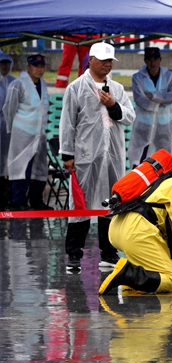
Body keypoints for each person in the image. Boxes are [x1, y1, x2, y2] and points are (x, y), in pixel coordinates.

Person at [60, 42, 136, 271]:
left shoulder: (117, 89)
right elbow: (67, 123)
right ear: (90, 59)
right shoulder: (76, 88)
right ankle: (74, 255)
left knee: (111, 203)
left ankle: (109, 253)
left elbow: (129, 116)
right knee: (81, 204)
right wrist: (67, 154)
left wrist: (114, 106)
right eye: (102, 59)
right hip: (85, 156)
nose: (107, 64)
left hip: (111, 155)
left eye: (110, 60)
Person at [99, 175, 172, 294]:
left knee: (160, 269)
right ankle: (127, 274)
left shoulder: (166, 185)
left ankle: (133, 281)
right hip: (137, 231)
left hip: (118, 229)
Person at [3, 54, 50, 210]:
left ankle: (36, 201)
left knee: (39, 170)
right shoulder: (18, 84)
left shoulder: (43, 84)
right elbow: (9, 109)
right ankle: (18, 202)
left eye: (42, 67)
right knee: (21, 169)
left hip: (39, 136)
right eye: (36, 67)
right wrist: (12, 131)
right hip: (22, 135)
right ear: (29, 67)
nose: (39, 70)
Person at [128, 47, 172, 168]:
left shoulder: (169, 76)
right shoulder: (138, 77)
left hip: (163, 124)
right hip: (144, 124)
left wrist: (153, 96)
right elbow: (140, 100)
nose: (153, 62)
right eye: (149, 59)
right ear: (145, 60)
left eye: (155, 59)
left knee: (163, 158)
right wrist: (160, 102)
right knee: (140, 157)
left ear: (160, 60)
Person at [0, 51, 14, 209]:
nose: (4, 67)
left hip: (10, 127)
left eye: (6, 63)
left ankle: (8, 197)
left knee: (8, 162)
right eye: (2, 63)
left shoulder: (14, 83)